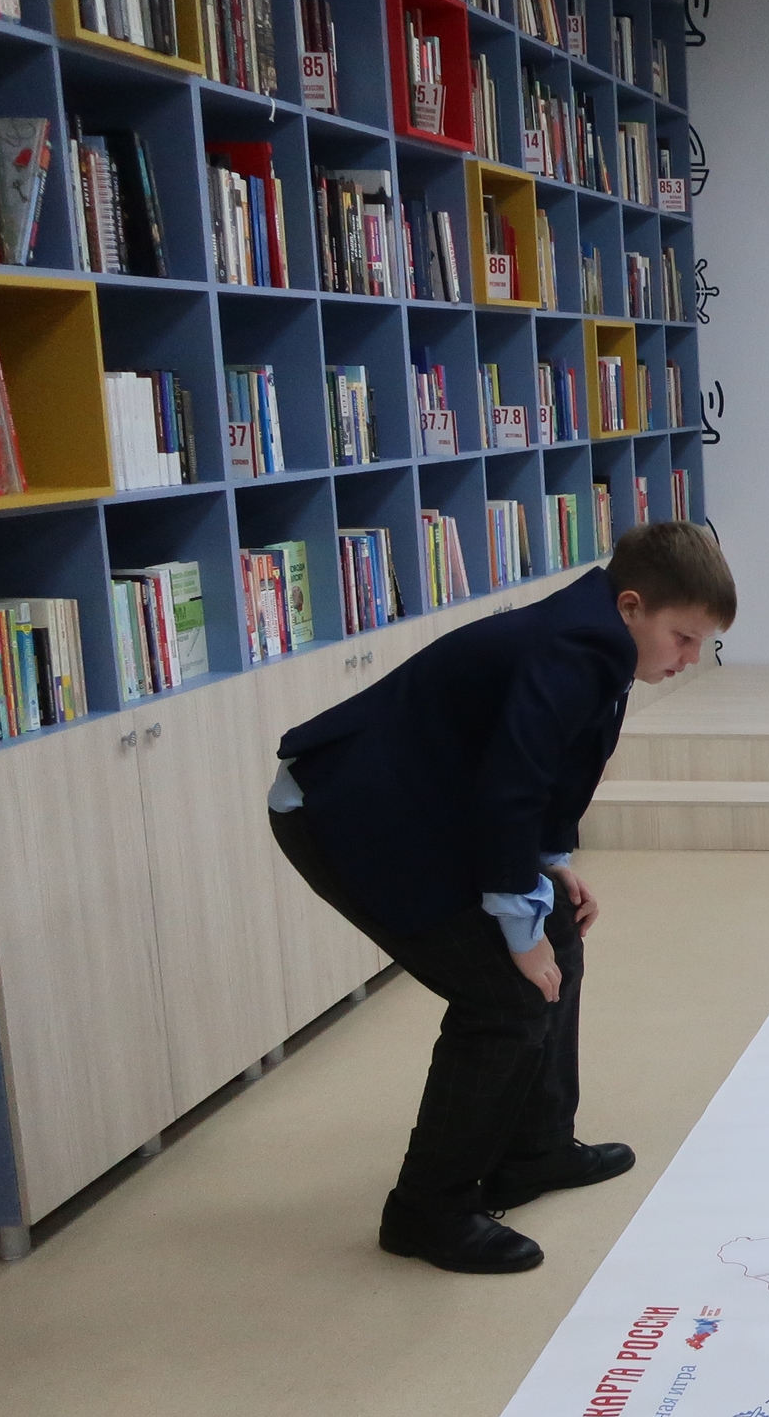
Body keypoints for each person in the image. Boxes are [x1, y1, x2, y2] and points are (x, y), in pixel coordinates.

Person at [267, 523, 736, 1271]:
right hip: (345, 809)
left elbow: (551, 765)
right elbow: (512, 785)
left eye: (701, 644)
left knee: (560, 933)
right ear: (631, 606)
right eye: (683, 638)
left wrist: (548, 868)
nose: (689, 658)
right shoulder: (577, 645)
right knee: (503, 1000)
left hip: (425, 800)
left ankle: (533, 1150)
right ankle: (426, 1210)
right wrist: (519, 923)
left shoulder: (603, 639)